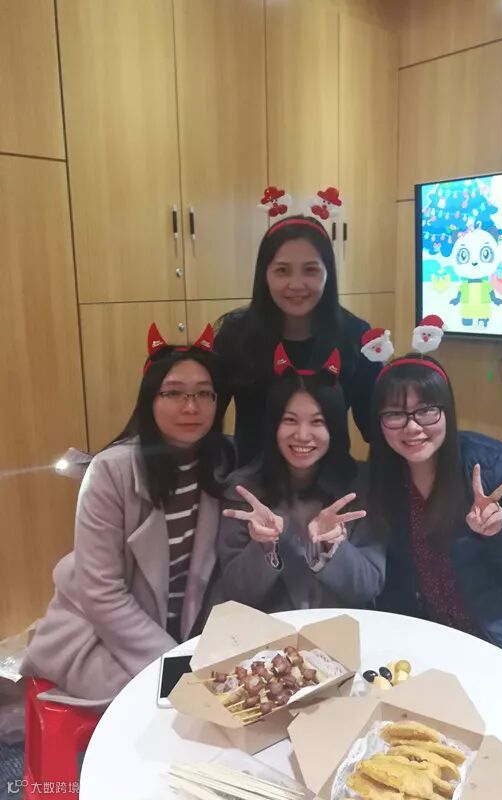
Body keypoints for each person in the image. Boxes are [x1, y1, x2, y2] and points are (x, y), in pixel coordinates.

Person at [21, 323, 234, 703]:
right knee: (161, 705)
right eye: (174, 393)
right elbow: (102, 593)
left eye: (204, 394)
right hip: (101, 635)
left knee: (234, 692)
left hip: (184, 632)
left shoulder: (221, 463)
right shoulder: (111, 471)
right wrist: (173, 662)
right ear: (150, 400)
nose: (191, 407)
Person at [370, 351, 502, 683]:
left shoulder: (494, 466)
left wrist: (498, 537)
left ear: (447, 410)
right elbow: (395, 580)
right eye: (395, 414)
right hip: (435, 637)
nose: (412, 426)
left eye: (426, 410)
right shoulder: (384, 478)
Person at [218, 349, 385, 611]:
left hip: (342, 627)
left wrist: (331, 547)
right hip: (271, 631)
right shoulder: (244, 491)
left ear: (334, 428)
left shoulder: (359, 486)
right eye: (290, 420)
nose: (303, 435)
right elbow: (236, 594)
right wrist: (263, 547)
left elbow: (369, 586)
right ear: (273, 426)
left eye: (317, 422)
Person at [214, 212, 381, 465]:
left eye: (310, 270)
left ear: (328, 273)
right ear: (264, 274)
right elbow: (206, 417)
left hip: (331, 480)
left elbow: (377, 428)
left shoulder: (355, 335)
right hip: (252, 480)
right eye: (282, 270)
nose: (296, 284)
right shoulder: (235, 334)